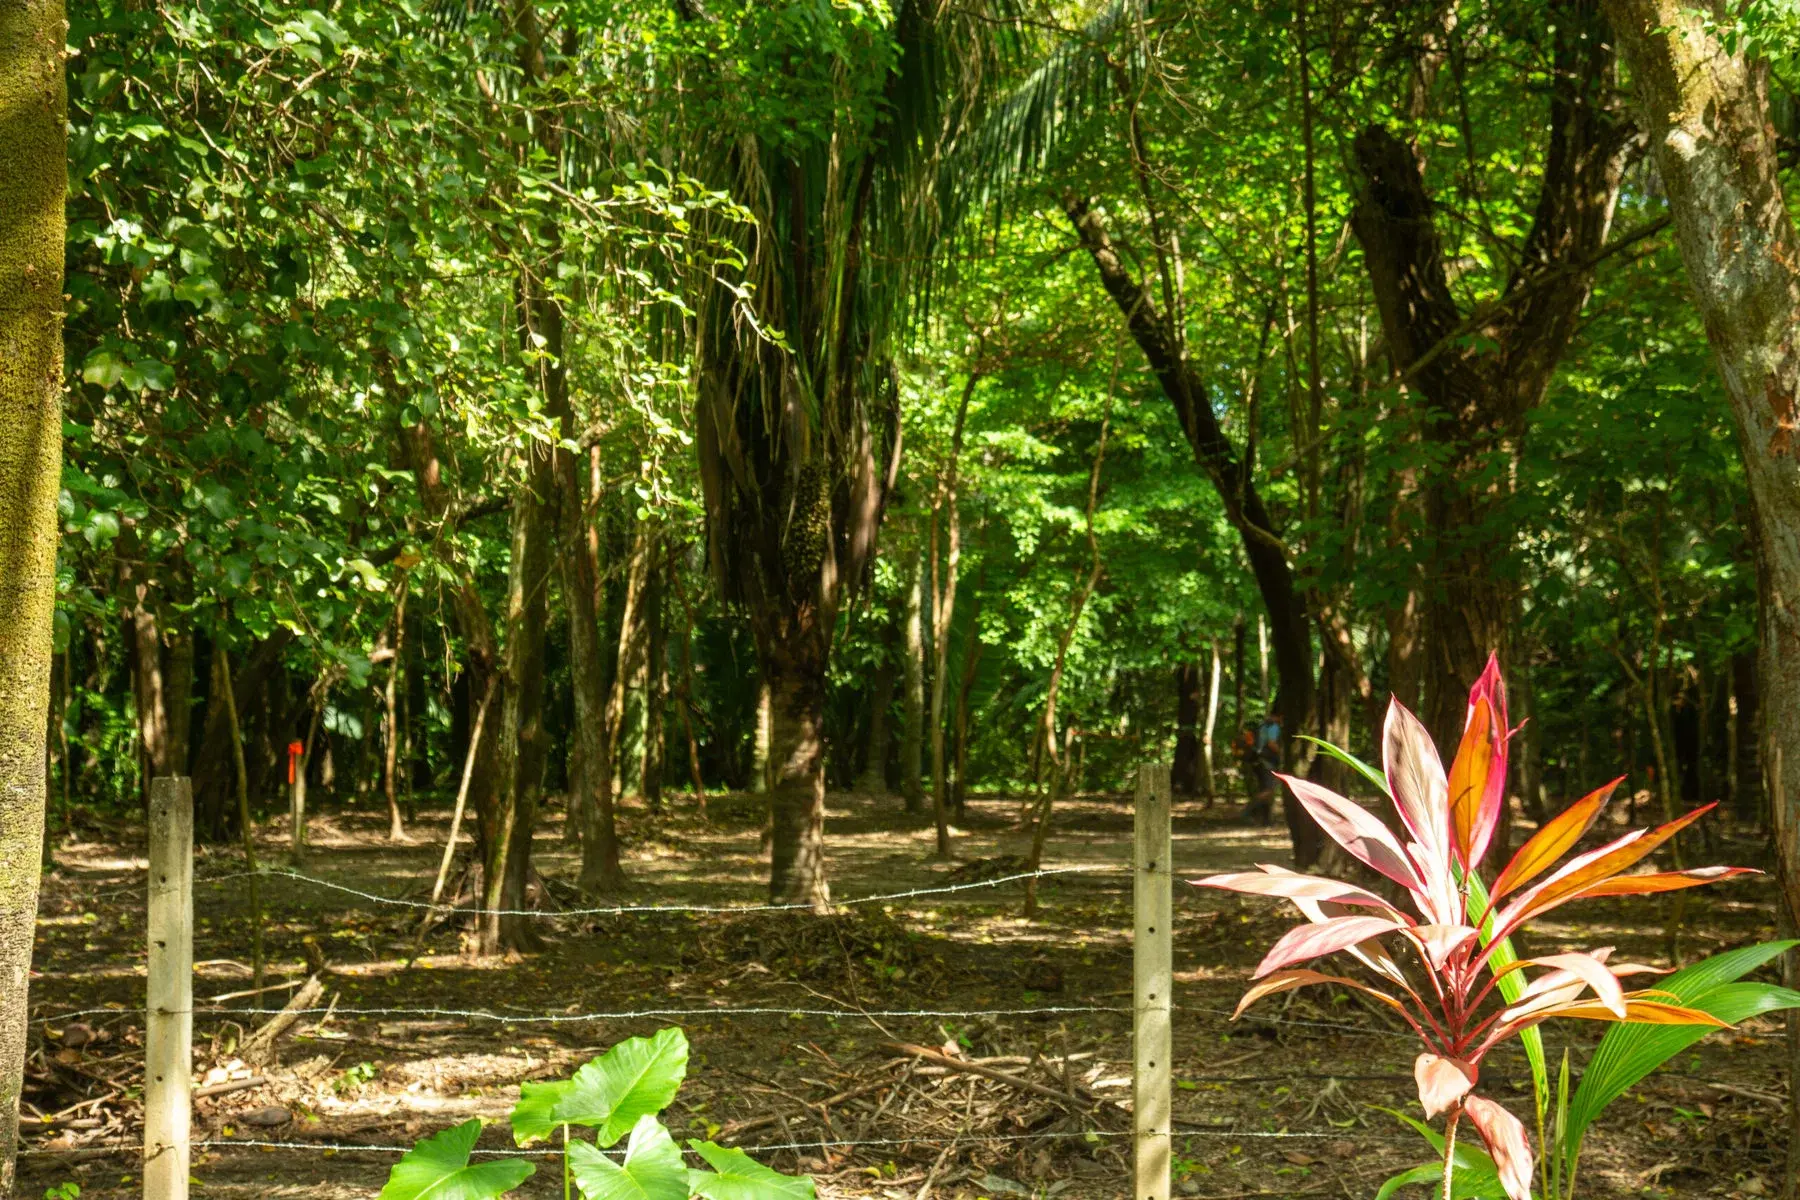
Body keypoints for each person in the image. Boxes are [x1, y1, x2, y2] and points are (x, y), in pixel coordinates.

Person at [1244, 711, 1280, 826]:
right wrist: (1283, 754)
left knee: (1265, 789)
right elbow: (1271, 743)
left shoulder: (1263, 726)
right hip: (1267, 762)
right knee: (1268, 790)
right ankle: (1248, 811)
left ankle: (1265, 820)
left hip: (1259, 761)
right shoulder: (1273, 726)